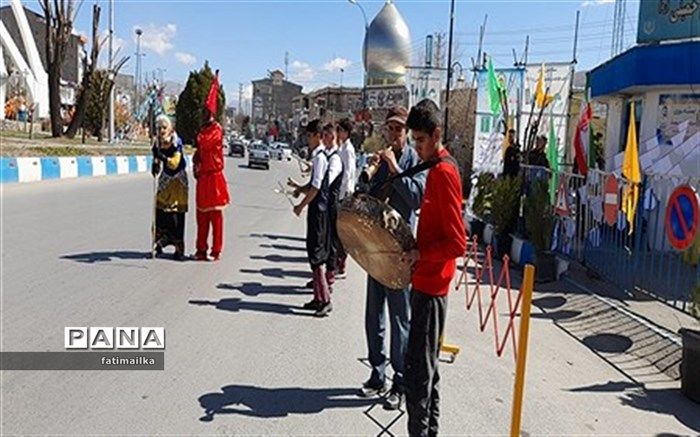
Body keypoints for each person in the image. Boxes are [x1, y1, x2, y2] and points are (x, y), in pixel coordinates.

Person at [403, 99, 467, 437]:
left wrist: (419, 255)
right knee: (428, 374)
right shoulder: (436, 168)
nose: (417, 147)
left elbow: (457, 243)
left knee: (418, 379)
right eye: (414, 141)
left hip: (432, 289)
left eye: (421, 140)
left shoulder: (443, 173)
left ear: (437, 134)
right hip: (425, 285)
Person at [359, 106, 426, 411]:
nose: (395, 134)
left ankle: (400, 381)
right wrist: (371, 172)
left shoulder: (414, 160)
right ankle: (377, 372)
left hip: (400, 252)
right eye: (390, 129)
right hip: (376, 248)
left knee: (401, 318)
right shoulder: (381, 159)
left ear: (407, 132)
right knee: (374, 314)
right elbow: (366, 199)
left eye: (400, 129)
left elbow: (415, 198)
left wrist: (394, 168)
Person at [291, 119, 334, 317]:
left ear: (318, 136)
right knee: (313, 253)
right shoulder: (318, 157)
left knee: (317, 255)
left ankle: (325, 299)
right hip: (318, 209)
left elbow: (317, 187)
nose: (308, 139)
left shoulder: (320, 158)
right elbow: (312, 184)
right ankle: (317, 297)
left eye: (310, 136)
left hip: (320, 211)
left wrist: (301, 205)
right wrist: (299, 189)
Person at [193, 107, 230, 261]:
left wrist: (199, 136)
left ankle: (216, 250)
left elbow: (206, 143)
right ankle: (201, 249)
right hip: (203, 177)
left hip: (214, 177)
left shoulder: (217, 130)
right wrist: (196, 161)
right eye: (204, 111)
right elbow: (200, 151)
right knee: (201, 216)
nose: (205, 114)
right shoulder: (203, 130)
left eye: (208, 111)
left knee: (216, 217)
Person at [151, 114, 189, 260]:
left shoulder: (176, 141)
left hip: (178, 180)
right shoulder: (158, 142)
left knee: (176, 214)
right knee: (160, 210)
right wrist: (155, 165)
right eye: (159, 128)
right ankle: (159, 242)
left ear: (170, 128)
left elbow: (174, 162)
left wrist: (162, 157)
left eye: (164, 127)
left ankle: (179, 247)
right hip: (165, 178)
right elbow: (156, 160)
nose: (161, 130)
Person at [322, 123, 344, 288]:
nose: (323, 139)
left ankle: (329, 276)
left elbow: (328, 181)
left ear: (332, 136)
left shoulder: (335, 159)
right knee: (325, 239)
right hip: (327, 203)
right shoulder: (328, 155)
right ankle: (322, 277)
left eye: (326, 135)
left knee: (331, 241)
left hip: (332, 204)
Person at [335, 118, 357, 276]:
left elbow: (348, 173)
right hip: (340, 192)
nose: (338, 133)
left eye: (340, 130)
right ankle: (338, 260)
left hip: (344, 193)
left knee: (341, 231)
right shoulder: (342, 148)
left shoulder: (348, 149)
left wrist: (342, 193)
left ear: (346, 132)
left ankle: (341, 262)